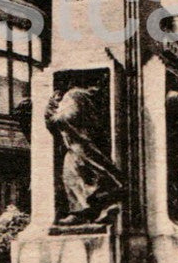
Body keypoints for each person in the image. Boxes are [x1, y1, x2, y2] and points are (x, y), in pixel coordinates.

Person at [45, 86, 123, 226]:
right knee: (86, 175)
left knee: (74, 175)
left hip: (78, 146)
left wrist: (50, 110)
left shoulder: (74, 94)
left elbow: (65, 117)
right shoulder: (81, 97)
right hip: (79, 144)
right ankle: (99, 208)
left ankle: (84, 211)